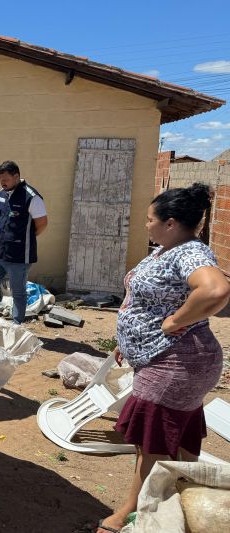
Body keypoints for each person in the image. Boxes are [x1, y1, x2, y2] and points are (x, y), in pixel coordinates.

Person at [97, 183, 230, 533]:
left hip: (176, 362)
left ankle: (130, 510)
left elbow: (215, 289)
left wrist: (176, 320)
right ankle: (188, 500)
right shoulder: (166, 250)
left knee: (152, 441)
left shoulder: (189, 252)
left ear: (170, 223)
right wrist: (127, 341)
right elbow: (147, 301)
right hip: (167, 359)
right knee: (173, 434)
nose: (146, 225)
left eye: (149, 219)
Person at [0, 160, 48, 324]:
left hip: (19, 257)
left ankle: (17, 324)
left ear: (16, 176)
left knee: (18, 292)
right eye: (0, 180)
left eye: (5, 179)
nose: (2, 183)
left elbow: (42, 224)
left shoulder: (31, 197)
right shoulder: (1, 195)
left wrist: (24, 239)